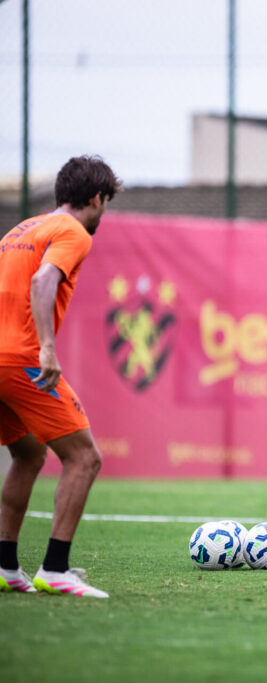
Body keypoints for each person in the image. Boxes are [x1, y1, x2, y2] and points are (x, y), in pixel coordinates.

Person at [0, 155, 123, 598]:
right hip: (22, 359)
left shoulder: (20, 230)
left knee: (29, 454)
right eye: (105, 203)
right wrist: (47, 348)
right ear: (95, 198)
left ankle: (5, 566)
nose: (103, 213)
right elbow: (43, 281)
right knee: (85, 458)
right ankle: (55, 569)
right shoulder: (71, 232)